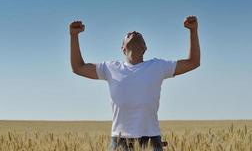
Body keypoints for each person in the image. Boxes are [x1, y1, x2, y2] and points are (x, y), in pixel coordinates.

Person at [69, 16, 200, 151]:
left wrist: (193, 31)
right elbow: (78, 67)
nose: (134, 33)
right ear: (123, 48)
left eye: (139, 35)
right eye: (128, 35)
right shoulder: (110, 67)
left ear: (145, 48)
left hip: (151, 140)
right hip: (119, 141)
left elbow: (193, 62)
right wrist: (74, 36)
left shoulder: (158, 66)